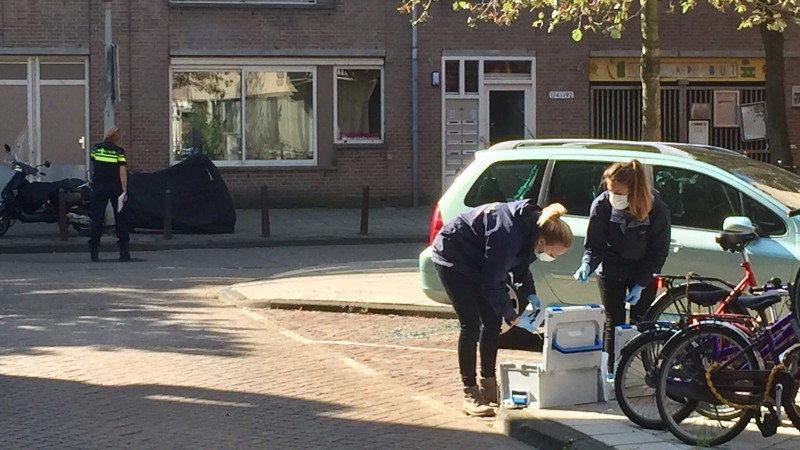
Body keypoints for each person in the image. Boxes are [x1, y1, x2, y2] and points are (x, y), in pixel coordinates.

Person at [432, 200, 573, 416]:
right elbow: (492, 284)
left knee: (493, 321)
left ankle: (488, 385)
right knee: (470, 324)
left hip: (479, 258)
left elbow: (521, 266)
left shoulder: (531, 229)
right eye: (552, 254)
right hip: (453, 257)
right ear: (543, 241)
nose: (550, 258)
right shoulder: (509, 236)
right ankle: (469, 392)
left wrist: (531, 294)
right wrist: (514, 317)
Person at [573, 159, 670, 374]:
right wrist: (586, 263)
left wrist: (641, 284)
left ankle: (640, 372)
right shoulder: (602, 205)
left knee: (641, 323)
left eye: (617, 192)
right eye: (609, 190)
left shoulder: (656, 208)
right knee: (613, 322)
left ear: (632, 190)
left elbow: (658, 253)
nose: (613, 196)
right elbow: (595, 244)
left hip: (643, 267)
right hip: (611, 268)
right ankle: (612, 371)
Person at [88, 126, 130, 262]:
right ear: (117, 138)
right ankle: (124, 251)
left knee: (97, 218)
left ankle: (94, 248)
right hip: (115, 188)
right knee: (121, 218)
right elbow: (122, 173)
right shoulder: (119, 151)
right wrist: (124, 191)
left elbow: (93, 165)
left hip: (99, 187)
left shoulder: (96, 149)